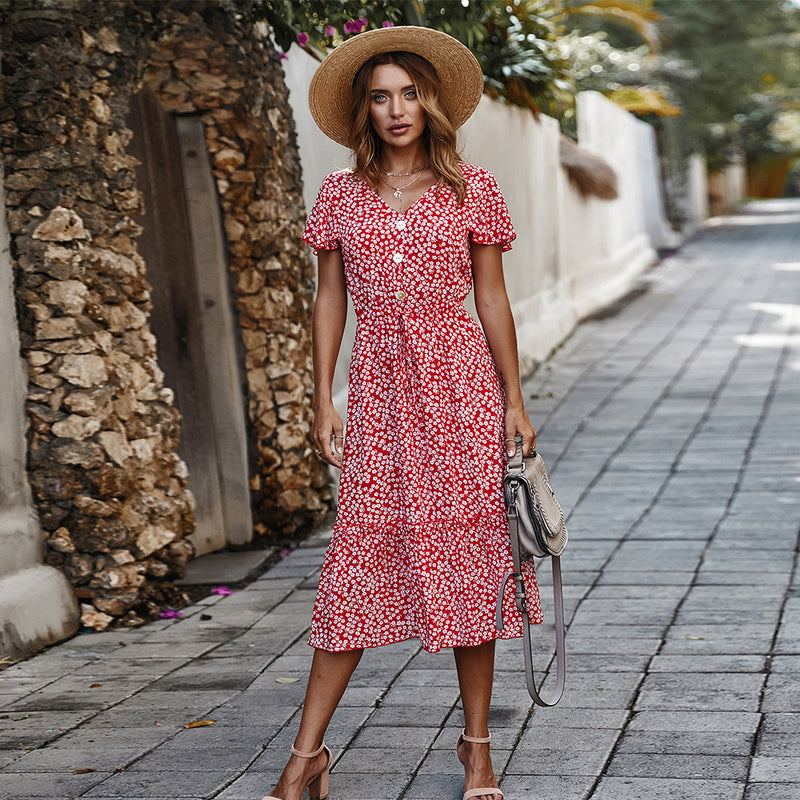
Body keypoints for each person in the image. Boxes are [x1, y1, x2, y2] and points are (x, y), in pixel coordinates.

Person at [264, 25, 542, 800]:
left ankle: (477, 749)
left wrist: (514, 400)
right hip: (381, 392)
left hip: (458, 387)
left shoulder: (469, 188)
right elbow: (330, 299)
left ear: (430, 104)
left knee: (470, 563)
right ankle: (307, 756)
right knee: (353, 562)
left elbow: (491, 298)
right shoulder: (340, 196)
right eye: (381, 97)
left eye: (409, 94)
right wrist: (324, 395)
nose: (396, 109)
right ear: (365, 110)